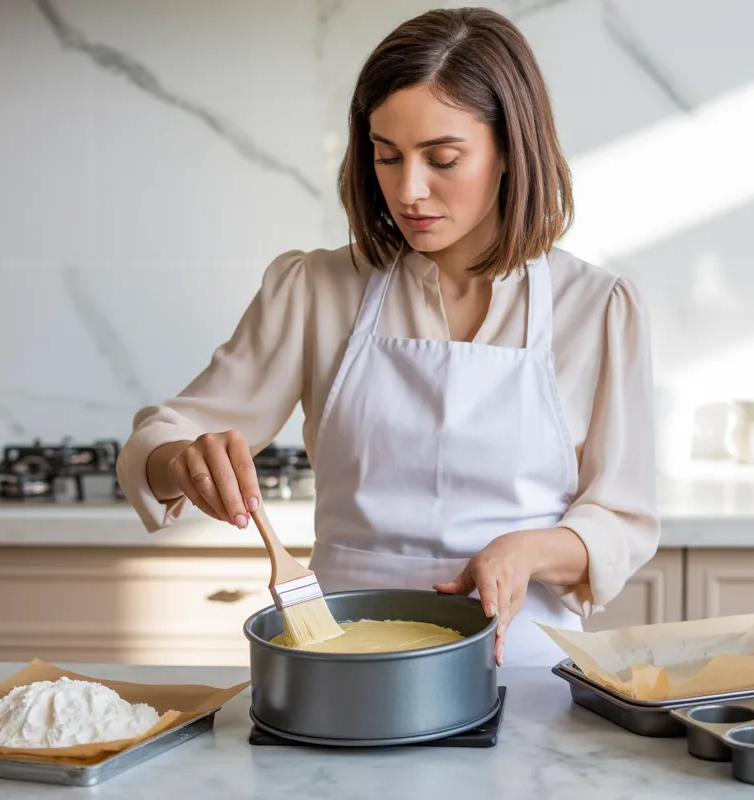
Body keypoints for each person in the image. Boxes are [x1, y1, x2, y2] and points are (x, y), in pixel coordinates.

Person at [117, 7, 658, 667]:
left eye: (443, 158)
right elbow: (159, 437)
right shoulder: (314, 289)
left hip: (527, 676)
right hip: (342, 669)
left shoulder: (597, 308)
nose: (409, 191)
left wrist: (526, 552)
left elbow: (622, 519)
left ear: (511, 151)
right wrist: (180, 463)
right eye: (386, 156)